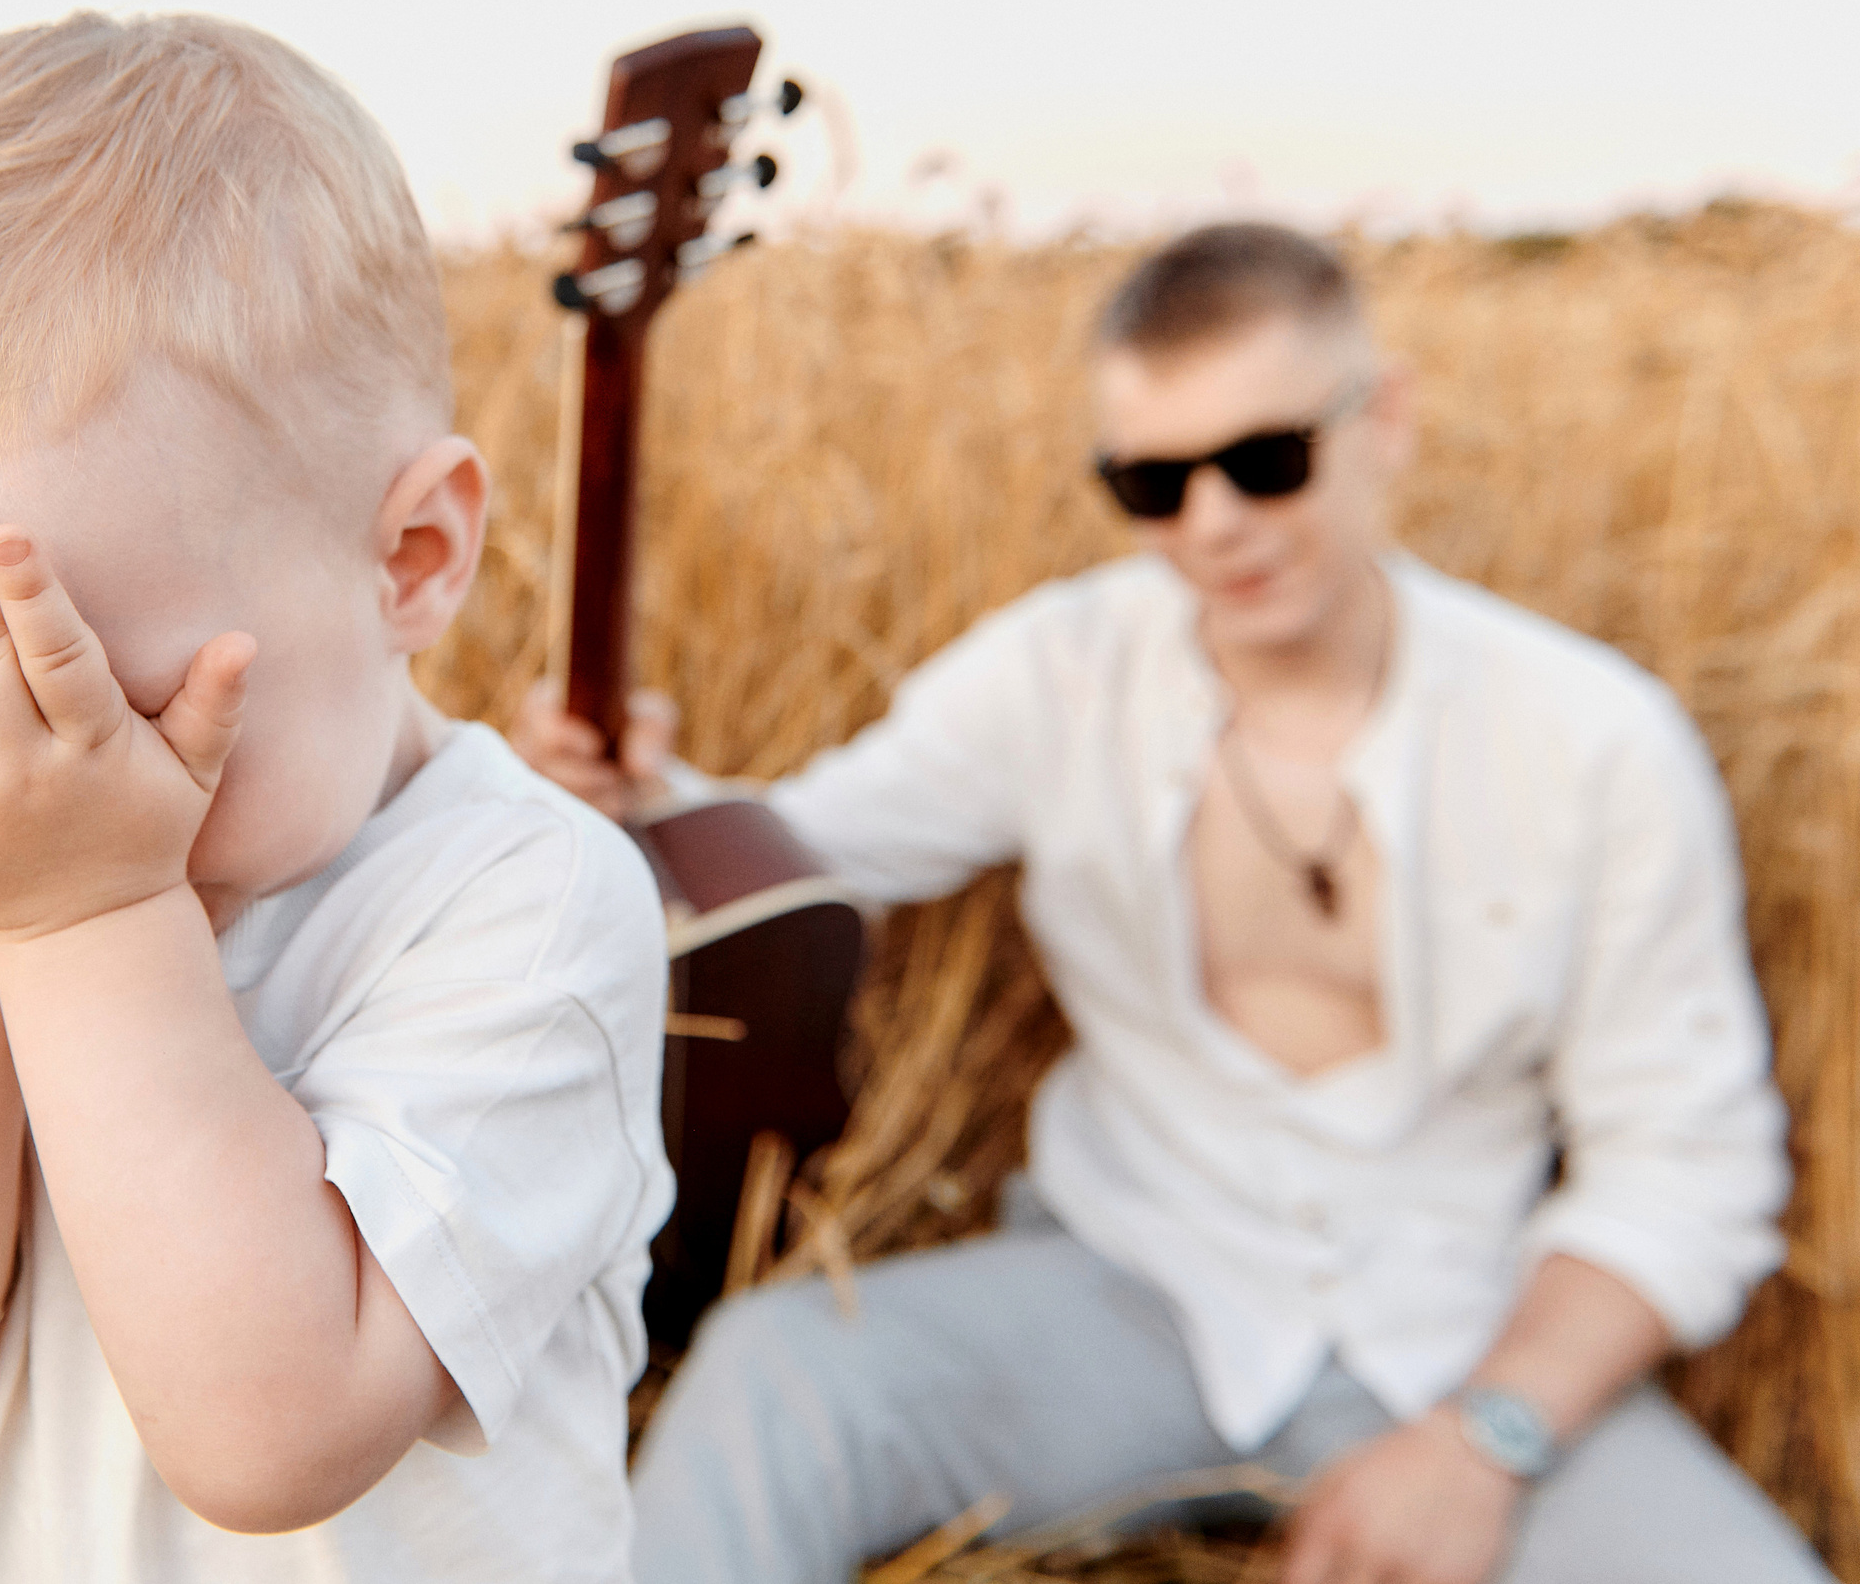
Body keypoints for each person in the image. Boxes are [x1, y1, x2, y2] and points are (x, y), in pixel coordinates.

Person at [515, 223, 1827, 1584]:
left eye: (1267, 460)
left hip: (1463, 1327)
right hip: (1134, 1290)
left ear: (1385, 417)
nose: (1214, 523)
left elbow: (1687, 1162)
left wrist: (1482, 1437)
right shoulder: (1060, 669)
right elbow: (801, 850)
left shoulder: (1593, 738)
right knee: (778, 1380)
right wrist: (631, 791)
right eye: (1152, 481)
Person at [0, 12, 672, 1584]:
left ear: (411, 558)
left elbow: (267, 1436)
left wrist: (90, 911)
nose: (24, 783)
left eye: (108, 700)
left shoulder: (525, 902)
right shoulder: (3, 859)